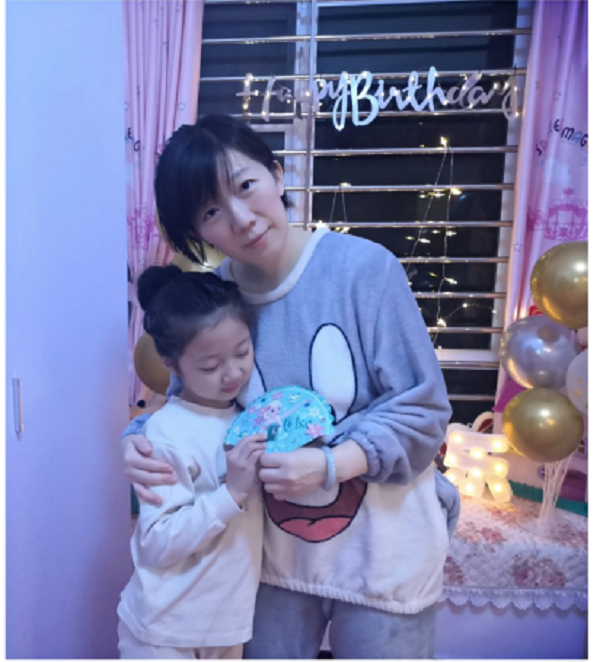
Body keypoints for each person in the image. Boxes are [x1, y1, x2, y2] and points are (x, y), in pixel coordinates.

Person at [123, 114, 460, 659]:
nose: (241, 219)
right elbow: (192, 406)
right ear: (197, 232)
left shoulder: (364, 270)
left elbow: (422, 408)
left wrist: (331, 464)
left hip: (383, 551)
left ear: (277, 174)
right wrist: (138, 440)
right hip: (268, 564)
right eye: (211, 212)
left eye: (245, 186)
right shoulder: (213, 301)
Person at [117, 264, 267, 659]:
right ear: (171, 363)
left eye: (242, 351)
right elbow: (155, 542)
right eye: (210, 366)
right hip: (163, 632)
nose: (233, 372)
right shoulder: (166, 432)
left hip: (226, 627)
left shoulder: (247, 417)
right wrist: (231, 494)